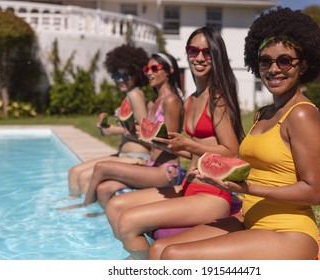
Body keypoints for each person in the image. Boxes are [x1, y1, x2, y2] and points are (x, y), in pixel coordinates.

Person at [149, 7, 320, 260]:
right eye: (265, 60)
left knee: (174, 256)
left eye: (285, 60)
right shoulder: (263, 113)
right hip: (249, 218)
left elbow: (316, 192)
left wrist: (249, 188)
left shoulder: (302, 114)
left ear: (304, 64)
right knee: (158, 249)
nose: (274, 69)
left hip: (289, 231)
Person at [105, 26, 245, 260]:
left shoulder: (218, 97)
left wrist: (189, 145)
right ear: (187, 53)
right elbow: (184, 147)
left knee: (128, 221)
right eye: (193, 51)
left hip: (212, 195)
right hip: (188, 186)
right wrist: (154, 140)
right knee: (115, 206)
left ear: (217, 56)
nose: (199, 58)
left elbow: (231, 150)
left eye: (207, 52)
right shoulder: (191, 99)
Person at [59, 52, 185, 211]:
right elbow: (146, 133)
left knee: (101, 168)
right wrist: (132, 130)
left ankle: (84, 207)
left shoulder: (171, 100)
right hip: (152, 165)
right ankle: (95, 220)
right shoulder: (154, 102)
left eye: (154, 68)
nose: (149, 73)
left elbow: (171, 143)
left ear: (170, 70)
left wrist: (142, 135)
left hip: (166, 171)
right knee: (103, 189)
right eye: (147, 69)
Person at [66, 45, 150, 197]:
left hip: (138, 157)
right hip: (123, 155)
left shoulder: (135, 95)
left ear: (136, 74)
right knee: (74, 172)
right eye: (116, 75)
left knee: (85, 177)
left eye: (126, 75)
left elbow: (145, 132)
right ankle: (73, 212)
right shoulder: (129, 94)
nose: (121, 80)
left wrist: (112, 130)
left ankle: (87, 217)